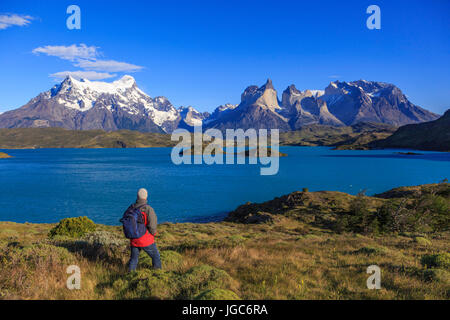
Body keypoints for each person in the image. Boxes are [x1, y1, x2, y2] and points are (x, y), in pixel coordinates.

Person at [124, 188, 161, 271]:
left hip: (133, 238)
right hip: (145, 238)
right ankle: (157, 274)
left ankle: (129, 277)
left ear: (137, 196)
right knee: (156, 257)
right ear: (146, 196)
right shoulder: (148, 209)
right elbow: (152, 225)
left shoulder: (131, 208)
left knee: (134, 259)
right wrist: (153, 234)